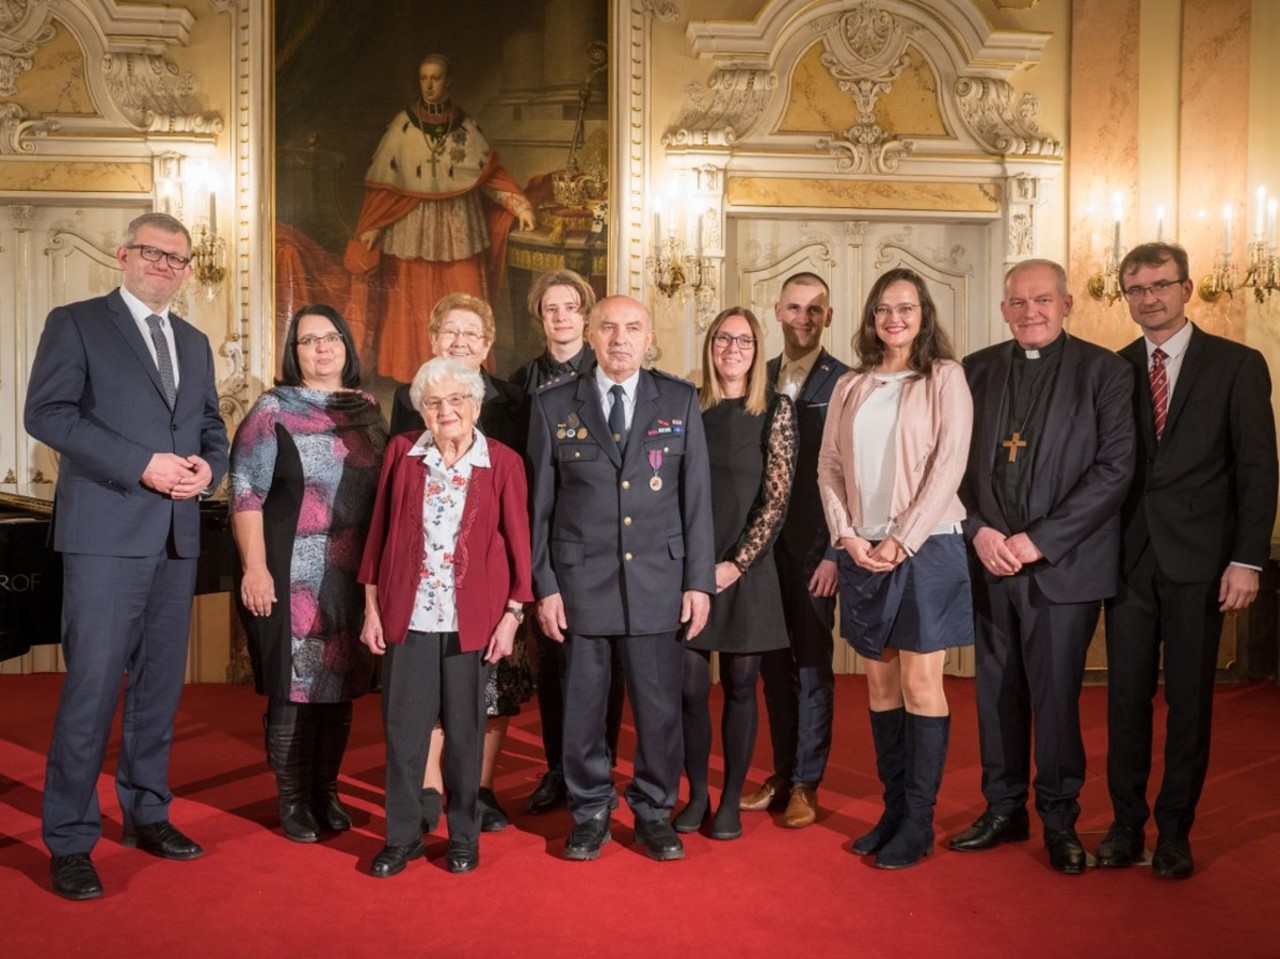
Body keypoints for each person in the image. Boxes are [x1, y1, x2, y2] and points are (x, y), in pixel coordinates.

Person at [24, 212, 229, 900]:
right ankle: (70, 838)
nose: (165, 266)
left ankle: (148, 812)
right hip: (105, 536)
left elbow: (210, 425)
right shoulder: (77, 322)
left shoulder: (194, 342)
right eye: (153, 253)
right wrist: (141, 463)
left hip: (175, 536)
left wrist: (209, 468)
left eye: (178, 258)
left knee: (158, 688)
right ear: (124, 255)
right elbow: (47, 413)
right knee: (91, 689)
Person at [1098, 242, 1277, 879]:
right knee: (1125, 700)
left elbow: (1258, 469)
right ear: (1125, 296)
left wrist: (1247, 560)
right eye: (1136, 289)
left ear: (1187, 288)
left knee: (1190, 703)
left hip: (1202, 563)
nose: (1149, 298)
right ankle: (1125, 825)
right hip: (1126, 561)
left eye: (1160, 286)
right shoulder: (1113, 369)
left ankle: (1175, 831)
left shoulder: (1237, 364)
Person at [953, 258, 1135, 874]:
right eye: (1018, 302)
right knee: (996, 694)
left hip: (1063, 565)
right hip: (991, 563)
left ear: (1067, 304)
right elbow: (948, 462)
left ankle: (1060, 820)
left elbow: (1115, 468)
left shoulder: (1105, 372)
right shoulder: (975, 370)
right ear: (1003, 308)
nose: (1030, 312)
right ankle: (1003, 809)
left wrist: (1040, 541)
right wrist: (978, 531)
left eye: (1042, 300)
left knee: (1055, 700)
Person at [529, 295, 716, 862]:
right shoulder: (553, 404)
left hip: (659, 581)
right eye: (608, 328)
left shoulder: (679, 400)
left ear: (649, 337)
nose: (620, 339)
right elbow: (539, 508)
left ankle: (654, 811)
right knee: (583, 709)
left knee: (658, 710)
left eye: (633, 328)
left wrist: (699, 581)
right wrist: (545, 586)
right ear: (590, 335)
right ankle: (590, 812)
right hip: (580, 583)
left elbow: (696, 500)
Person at [816, 268, 974, 869]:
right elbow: (830, 466)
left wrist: (902, 541)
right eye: (883, 309)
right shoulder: (851, 384)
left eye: (906, 308)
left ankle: (919, 822)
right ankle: (893, 811)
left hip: (926, 548)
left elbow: (949, 465)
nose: (894, 318)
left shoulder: (944, 377)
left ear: (923, 314)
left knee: (920, 684)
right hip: (863, 551)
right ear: (871, 318)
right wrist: (846, 535)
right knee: (880, 684)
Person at [358, 357, 532, 877]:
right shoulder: (401, 453)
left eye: (457, 399)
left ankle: (462, 836)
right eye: (434, 402)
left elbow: (520, 548)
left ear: (476, 405)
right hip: (407, 617)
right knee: (404, 735)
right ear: (421, 410)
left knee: (464, 735)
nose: (446, 410)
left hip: (471, 623)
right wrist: (371, 609)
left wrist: (512, 616)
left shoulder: (503, 462)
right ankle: (402, 837)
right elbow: (378, 535)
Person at [229, 304, 386, 843]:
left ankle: (326, 791)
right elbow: (245, 493)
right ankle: (293, 799)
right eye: (308, 340)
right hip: (288, 572)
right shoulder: (272, 410)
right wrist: (254, 568)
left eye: (331, 338)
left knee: (339, 685)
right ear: (293, 353)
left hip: (351, 576)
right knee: (295, 689)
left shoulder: (368, 409)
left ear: (346, 346)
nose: (322, 348)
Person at [387, 293, 531, 834]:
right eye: (450, 331)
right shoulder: (410, 403)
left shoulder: (512, 403)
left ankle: (477, 793)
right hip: (424, 587)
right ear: (432, 339)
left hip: (487, 579)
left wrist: (516, 598)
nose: (460, 341)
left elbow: (517, 495)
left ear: (488, 344)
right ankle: (429, 792)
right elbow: (397, 502)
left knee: (485, 696)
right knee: (424, 699)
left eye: (472, 333)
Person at [674, 307, 796, 842]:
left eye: (744, 341)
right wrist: (696, 568)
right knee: (690, 689)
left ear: (757, 349)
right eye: (723, 339)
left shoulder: (775, 410)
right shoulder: (686, 405)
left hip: (748, 570)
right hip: (691, 569)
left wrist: (736, 563)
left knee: (742, 687)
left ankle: (729, 801)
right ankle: (698, 794)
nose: (732, 349)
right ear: (710, 346)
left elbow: (776, 499)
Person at [508, 270, 626, 815]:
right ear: (540, 317)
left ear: (586, 316)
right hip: (548, 542)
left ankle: (602, 765)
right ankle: (558, 768)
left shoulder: (608, 371)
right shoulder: (521, 383)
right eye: (550, 308)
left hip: (607, 545)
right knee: (554, 664)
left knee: (606, 666)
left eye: (570, 307)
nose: (560, 317)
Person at [344, 53, 536, 381]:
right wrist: (375, 224)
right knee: (413, 296)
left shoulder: (465, 126)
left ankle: (464, 369)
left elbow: (488, 174)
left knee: (463, 291)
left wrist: (521, 206)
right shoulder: (403, 125)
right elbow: (386, 185)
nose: (429, 85)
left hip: (457, 223)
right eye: (424, 78)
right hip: (411, 224)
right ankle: (412, 369)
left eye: (436, 78)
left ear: (448, 82)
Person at [742, 272, 849, 828]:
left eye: (815, 309)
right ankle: (782, 773)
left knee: (810, 665)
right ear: (778, 312)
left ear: (828, 317)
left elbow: (852, 474)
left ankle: (808, 781)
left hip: (815, 551)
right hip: (762, 553)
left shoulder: (846, 382)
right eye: (794, 307)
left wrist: (835, 552)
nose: (803, 318)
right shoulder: (755, 377)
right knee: (772, 667)